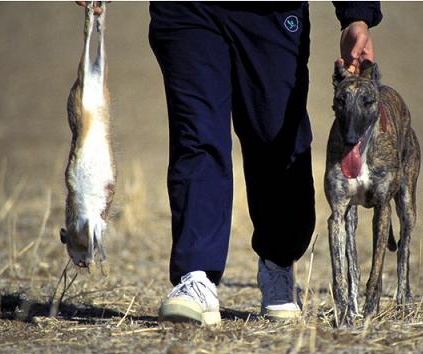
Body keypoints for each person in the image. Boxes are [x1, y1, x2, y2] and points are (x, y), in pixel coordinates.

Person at [76, 1, 381, 325]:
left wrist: (356, 14)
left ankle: (278, 260)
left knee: (276, 138)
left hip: (271, 13)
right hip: (186, 10)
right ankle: (197, 277)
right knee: (197, 136)